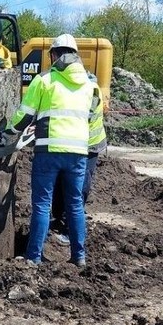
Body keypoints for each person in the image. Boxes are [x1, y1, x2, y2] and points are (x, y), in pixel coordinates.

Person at [0, 34, 94, 267]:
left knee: (42, 203)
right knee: (74, 204)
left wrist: (8, 133)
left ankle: (33, 257)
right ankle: (79, 256)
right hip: (78, 154)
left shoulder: (44, 80)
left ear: (53, 55)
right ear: (75, 55)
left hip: (49, 150)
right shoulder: (90, 83)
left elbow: (25, 114)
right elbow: (90, 117)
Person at [48, 71, 107, 246]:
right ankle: (58, 219)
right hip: (71, 143)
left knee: (78, 189)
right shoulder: (76, 88)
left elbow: (79, 119)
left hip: (88, 146)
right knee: (60, 182)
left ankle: (69, 231)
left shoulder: (91, 91)